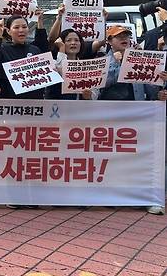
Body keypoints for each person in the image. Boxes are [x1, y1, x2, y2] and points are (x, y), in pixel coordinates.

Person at [100, 25, 167, 215]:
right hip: (113, 117)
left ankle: (143, 197)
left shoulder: (140, 59)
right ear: (109, 42)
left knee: (139, 157)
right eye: (118, 36)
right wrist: (118, 65)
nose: (124, 39)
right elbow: (102, 84)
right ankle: (113, 195)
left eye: (126, 35)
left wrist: (160, 85)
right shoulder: (104, 61)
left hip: (138, 116)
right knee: (114, 158)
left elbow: (149, 88)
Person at [0, 11, 49, 100]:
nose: (21, 30)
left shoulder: (35, 50)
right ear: (8, 31)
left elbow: (43, 46)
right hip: (9, 101)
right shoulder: (2, 49)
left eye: (24, 27)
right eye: (16, 27)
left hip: (34, 101)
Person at [47, 28, 99, 100]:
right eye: (68, 40)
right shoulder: (53, 63)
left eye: (76, 40)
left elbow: (95, 93)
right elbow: (63, 72)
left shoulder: (86, 66)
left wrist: (89, 96)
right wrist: (61, 48)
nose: (73, 43)